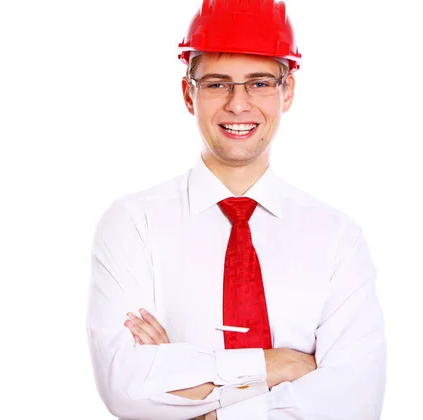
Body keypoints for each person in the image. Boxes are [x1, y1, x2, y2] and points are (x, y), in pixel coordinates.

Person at [86, 0, 387, 418]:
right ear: (189, 94)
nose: (239, 104)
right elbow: (125, 387)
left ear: (289, 91)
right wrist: (275, 366)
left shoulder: (338, 238)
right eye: (217, 84)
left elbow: (354, 403)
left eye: (260, 83)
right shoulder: (133, 225)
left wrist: (196, 396)